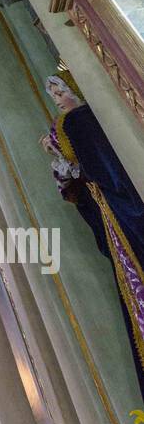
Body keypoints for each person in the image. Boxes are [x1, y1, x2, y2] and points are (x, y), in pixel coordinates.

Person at [42, 73, 144, 397]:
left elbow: (88, 160)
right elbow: (77, 178)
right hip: (113, 216)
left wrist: (58, 146)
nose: (57, 99)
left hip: (124, 210)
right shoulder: (73, 125)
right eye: (54, 95)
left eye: (60, 91)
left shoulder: (81, 120)